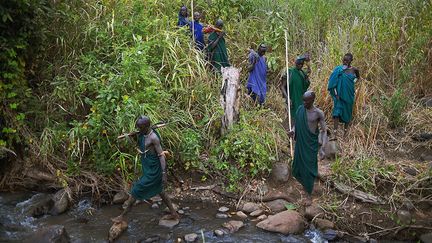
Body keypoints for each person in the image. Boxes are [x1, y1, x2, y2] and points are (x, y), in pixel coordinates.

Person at [117, 116, 178, 220]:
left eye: (140, 128)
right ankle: (174, 213)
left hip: (154, 170)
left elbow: (161, 155)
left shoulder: (153, 137)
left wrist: (163, 174)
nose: (139, 130)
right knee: (160, 191)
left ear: (146, 127)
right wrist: (132, 136)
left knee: (136, 190)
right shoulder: (143, 133)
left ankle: (122, 216)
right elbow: (140, 140)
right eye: (138, 128)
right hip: (148, 167)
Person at [288, 91, 327, 206]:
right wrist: (293, 131)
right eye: (303, 100)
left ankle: (309, 194)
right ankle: (301, 186)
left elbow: (324, 131)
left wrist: (323, 148)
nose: (304, 103)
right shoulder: (301, 109)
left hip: (310, 144)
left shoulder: (318, 113)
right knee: (299, 165)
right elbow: (297, 124)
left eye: (306, 101)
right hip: (301, 143)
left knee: (310, 168)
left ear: (313, 100)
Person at [327, 53, 360, 138]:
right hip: (339, 96)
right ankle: (335, 133)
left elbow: (358, 78)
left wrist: (353, 81)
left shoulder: (354, 70)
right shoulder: (338, 69)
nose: (344, 62)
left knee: (348, 113)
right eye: (344, 60)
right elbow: (332, 83)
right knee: (337, 113)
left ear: (351, 61)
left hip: (349, 95)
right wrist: (336, 94)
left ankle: (345, 133)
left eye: (347, 60)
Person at [281, 56, 310, 121]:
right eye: (299, 64)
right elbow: (282, 87)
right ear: (295, 63)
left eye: (302, 64)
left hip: (301, 98)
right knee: (293, 116)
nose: (300, 66)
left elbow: (308, 73)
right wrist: (287, 98)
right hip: (293, 98)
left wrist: (307, 63)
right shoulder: (289, 72)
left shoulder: (302, 73)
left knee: (302, 115)